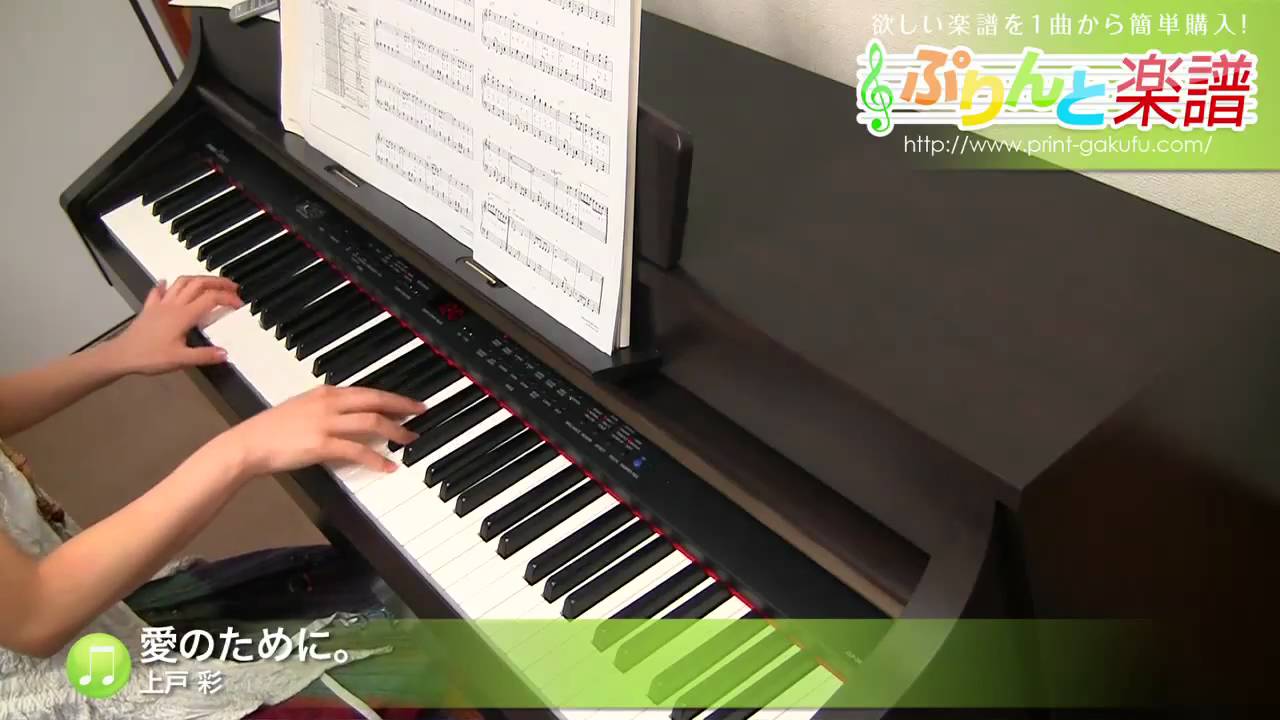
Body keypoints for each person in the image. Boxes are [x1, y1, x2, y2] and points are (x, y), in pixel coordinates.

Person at [0, 275, 431, 719]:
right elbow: (36, 615)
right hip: (71, 670)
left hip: (100, 609)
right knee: (428, 660)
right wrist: (244, 449)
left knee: (392, 592)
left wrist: (118, 354)